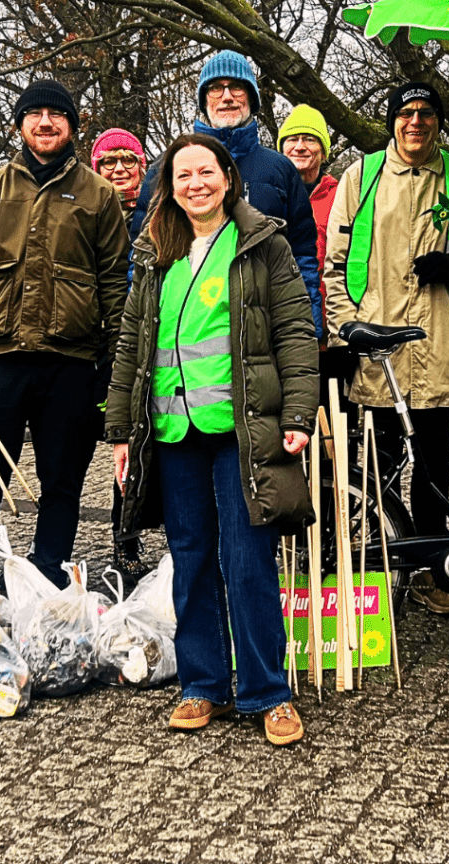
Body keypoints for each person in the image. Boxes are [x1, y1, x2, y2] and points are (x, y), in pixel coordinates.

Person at [106, 132, 317, 743]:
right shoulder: (154, 255)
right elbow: (131, 348)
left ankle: (266, 692)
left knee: (248, 558)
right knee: (191, 558)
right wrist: (122, 431)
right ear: (168, 189)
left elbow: (296, 334)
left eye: (205, 172)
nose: (195, 184)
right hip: (174, 434)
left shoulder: (261, 243)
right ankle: (203, 686)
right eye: (182, 176)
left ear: (228, 177)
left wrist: (298, 416)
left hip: (241, 430)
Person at [0, 79, 130, 587]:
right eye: (35, 113)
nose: (46, 122)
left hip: (73, 363)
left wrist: (116, 366)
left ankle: (47, 581)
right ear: (19, 124)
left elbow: (114, 283)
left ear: (72, 126)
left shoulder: (99, 195)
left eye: (57, 114)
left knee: (62, 483)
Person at [325, 81, 449, 617]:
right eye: (406, 113)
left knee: (432, 463)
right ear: (393, 120)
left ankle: (431, 572)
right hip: (379, 345)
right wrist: (347, 325)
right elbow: (334, 264)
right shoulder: (363, 175)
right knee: (380, 462)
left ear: (438, 122)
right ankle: (375, 569)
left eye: (426, 113)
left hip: (439, 340)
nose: (415, 122)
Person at [129, 50, 323, 341]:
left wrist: (310, 327)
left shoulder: (280, 170)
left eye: (237, 87)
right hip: (183, 332)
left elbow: (303, 256)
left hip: (263, 332)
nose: (227, 96)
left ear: (252, 98)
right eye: (216, 88)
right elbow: (141, 259)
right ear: (204, 99)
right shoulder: (165, 170)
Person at [88, 127, 149, 576]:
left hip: (151, 338)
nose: (119, 170)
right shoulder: (90, 211)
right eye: (109, 162)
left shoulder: (160, 210)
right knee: (119, 443)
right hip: (101, 342)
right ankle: (123, 537)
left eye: (127, 160)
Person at [277, 105, 349, 404]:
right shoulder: (269, 192)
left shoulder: (342, 193)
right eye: (292, 139)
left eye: (310, 139)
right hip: (280, 321)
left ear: (323, 149)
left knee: (334, 412)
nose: (300, 146)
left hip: (330, 324)